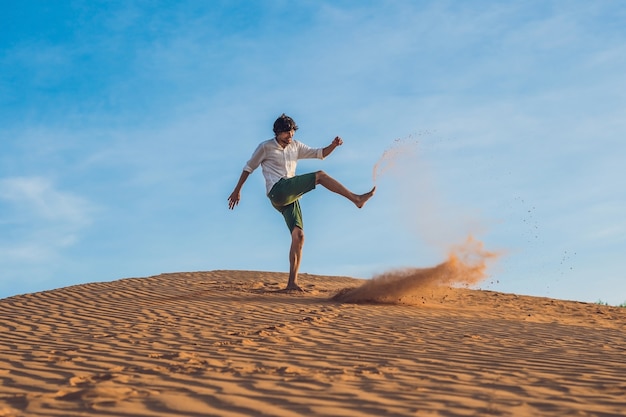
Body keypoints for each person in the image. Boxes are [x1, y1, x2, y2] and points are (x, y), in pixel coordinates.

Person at [228, 114, 376, 291]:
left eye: (291, 133)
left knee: (299, 236)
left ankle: (292, 283)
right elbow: (248, 168)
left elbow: (320, 153)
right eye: (286, 134)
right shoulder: (265, 147)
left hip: (290, 197)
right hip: (278, 190)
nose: (290, 137)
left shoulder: (295, 146)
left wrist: (333, 146)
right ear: (277, 133)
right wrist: (237, 190)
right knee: (320, 176)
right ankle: (356, 199)